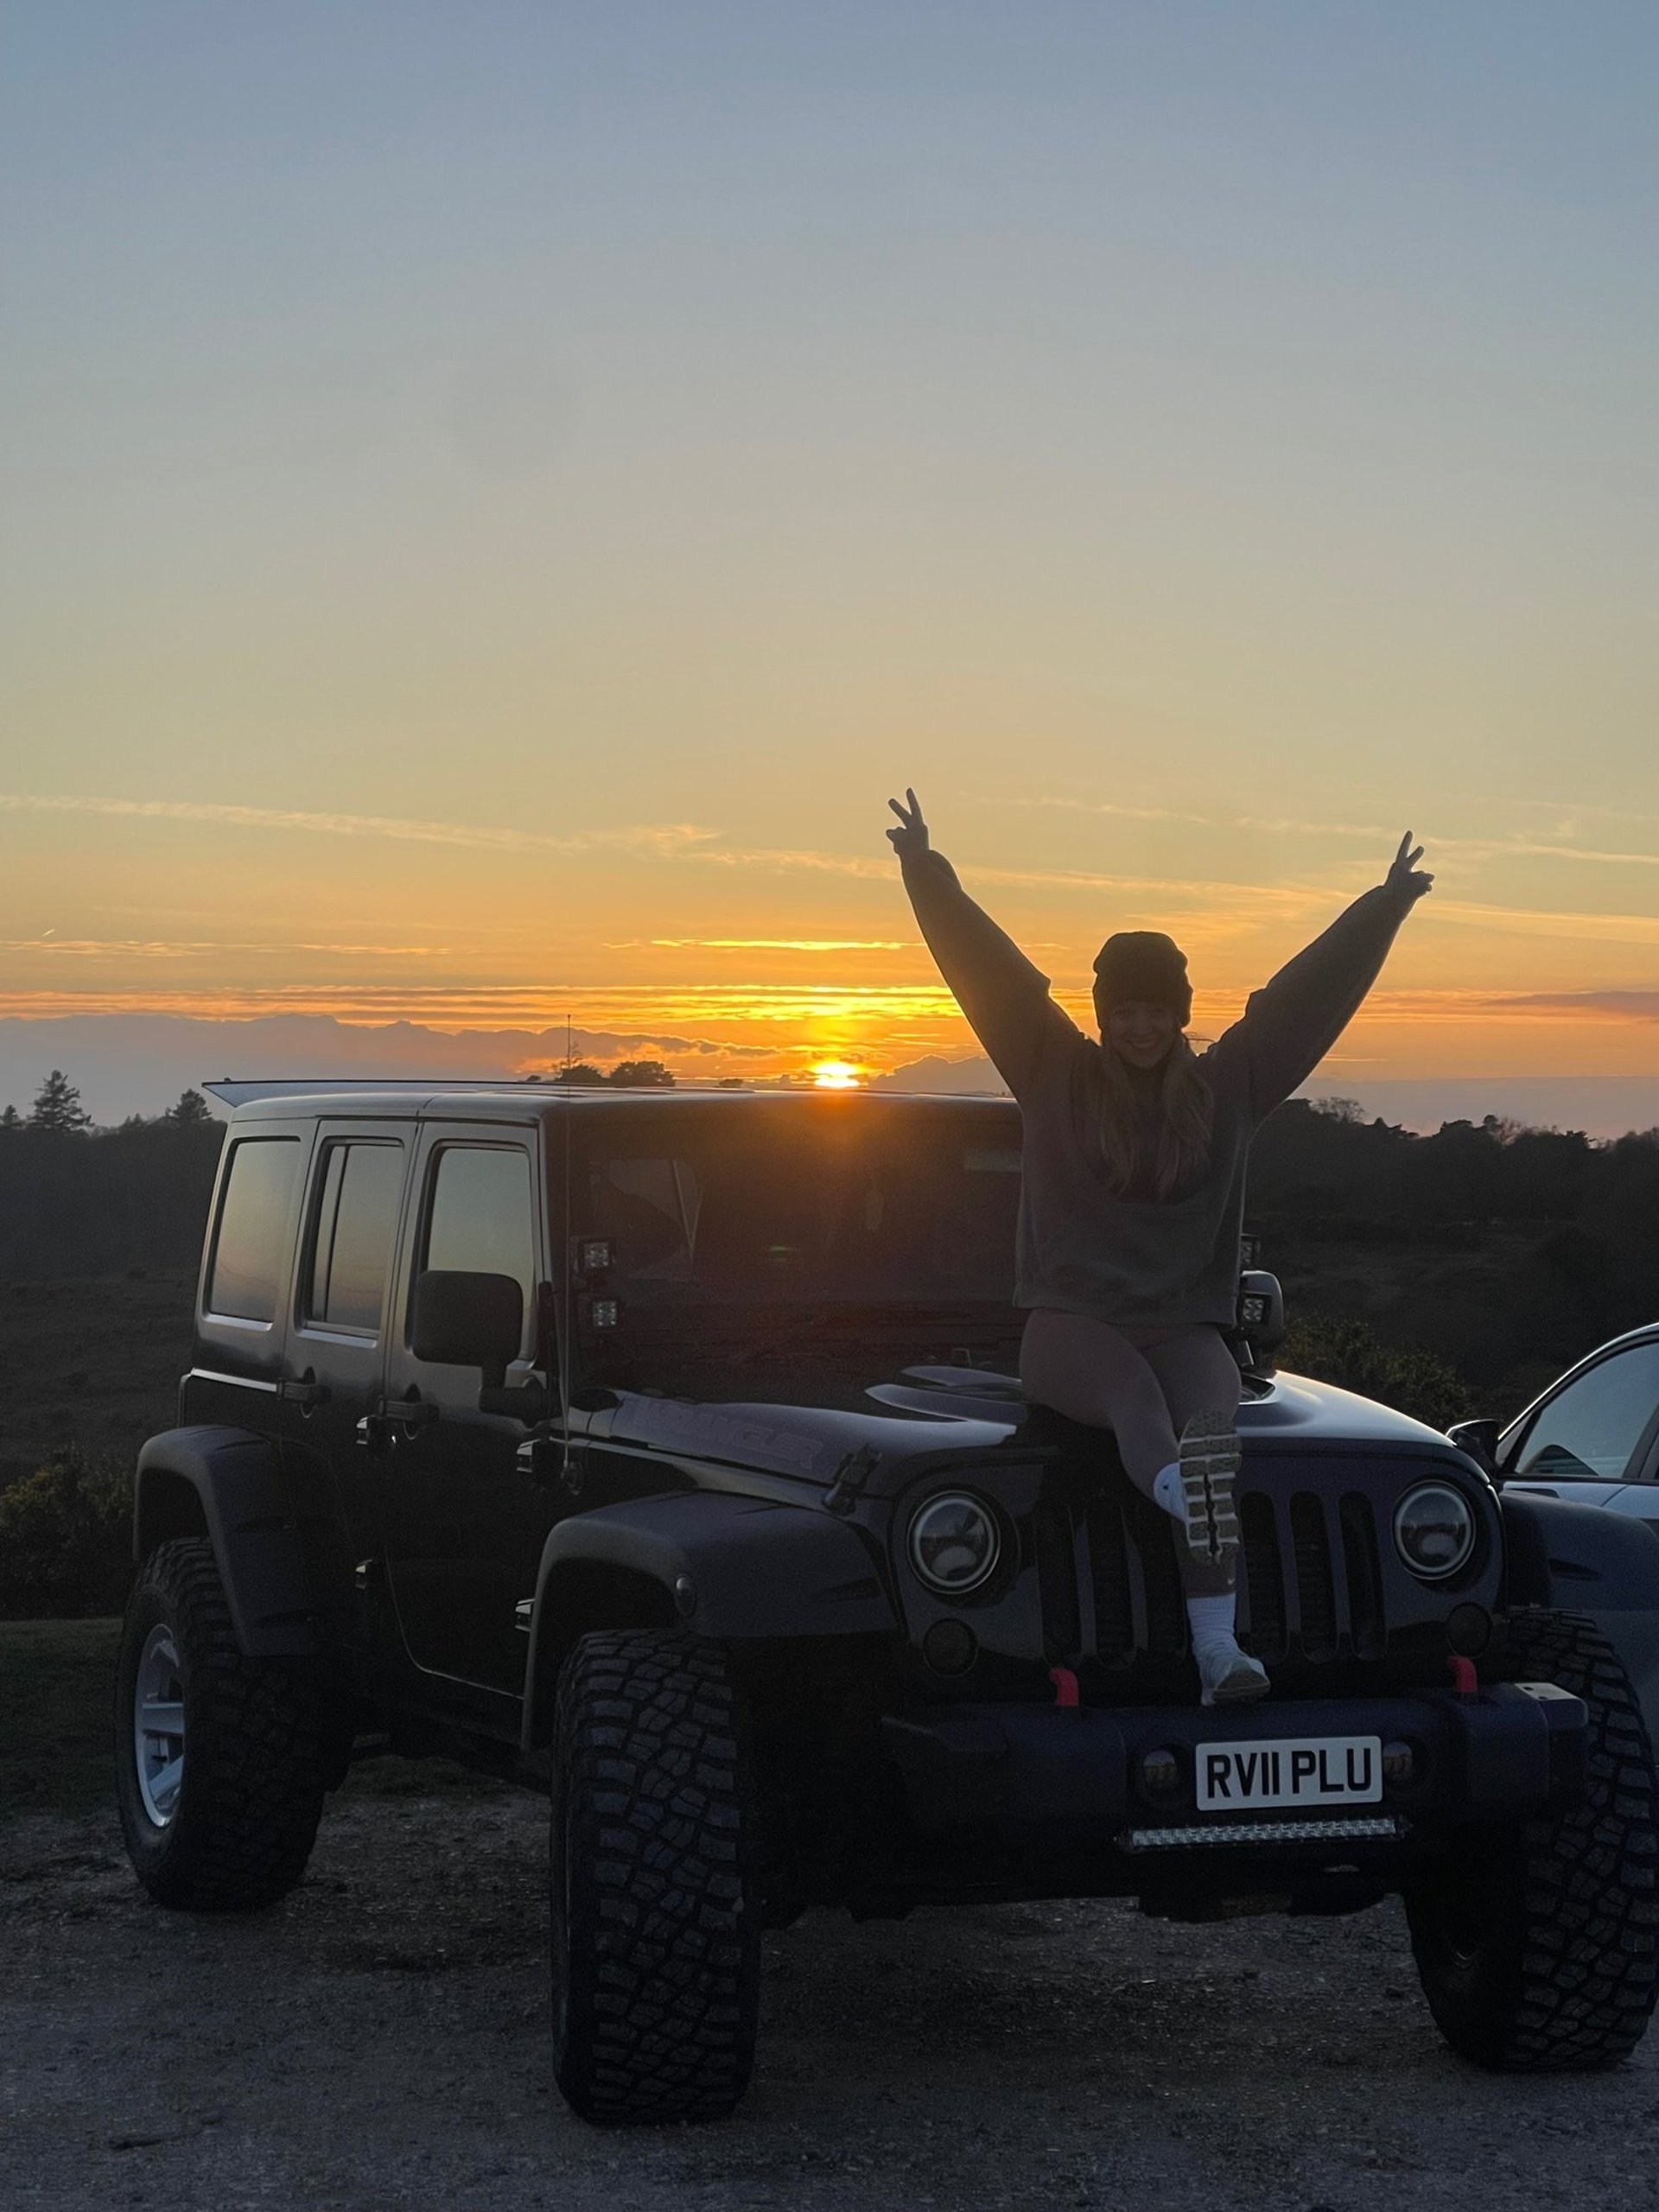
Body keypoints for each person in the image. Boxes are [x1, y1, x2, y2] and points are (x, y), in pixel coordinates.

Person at [887, 791, 1433, 1704]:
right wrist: (927, 872)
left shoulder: (1228, 1091)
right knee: (1139, 1404)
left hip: (1185, 1321)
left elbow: (1302, 1002)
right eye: (1124, 1009)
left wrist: (1382, 906)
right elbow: (992, 975)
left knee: (1213, 1429)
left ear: (1180, 1013)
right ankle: (1183, 1499)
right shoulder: (1052, 1071)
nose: (1139, 1025)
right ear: (1103, 1014)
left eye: (1156, 1010)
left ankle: (1220, 1652)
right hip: (1071, 1326)